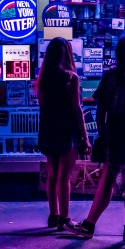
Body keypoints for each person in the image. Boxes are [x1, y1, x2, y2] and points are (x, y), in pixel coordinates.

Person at [65, 36, 125, 242]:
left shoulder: (110, 76)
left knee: (107, 180)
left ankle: (89, 224)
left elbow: (100, 110)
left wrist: (103, 134)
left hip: (116, 134)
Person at [36, 37, 92, 231]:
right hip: (67, 130)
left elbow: (43, 105)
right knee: (64, 176)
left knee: (52, 174)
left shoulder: (43, 79)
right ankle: (65, 218)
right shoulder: (71, 77)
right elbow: (77, 109)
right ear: (67, 54)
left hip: (48, 129)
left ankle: (54, 215)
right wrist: (85, 138)